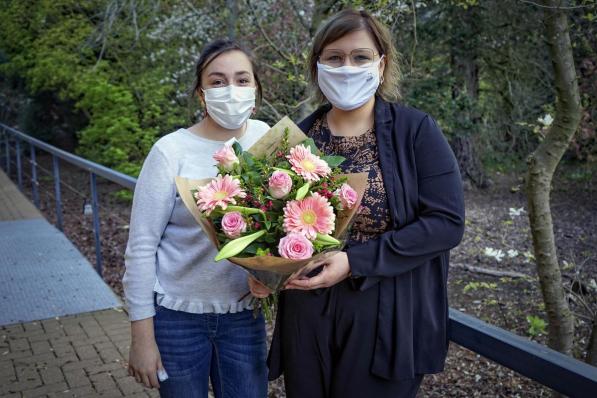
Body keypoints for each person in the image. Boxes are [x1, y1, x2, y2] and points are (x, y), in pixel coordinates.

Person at [256, 9, 465, 398]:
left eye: (360, 57)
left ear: (381, 65)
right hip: (306, 314)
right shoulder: (292, 138)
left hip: (386, 312)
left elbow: (447, 222)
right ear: (317, 66)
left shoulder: (416, 131)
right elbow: (266, 225)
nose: (346, 67)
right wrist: (263, 271)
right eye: (334, 57)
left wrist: (355, 262)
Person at [123, 39, 270, 398]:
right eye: (218, 81)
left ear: (256, 90)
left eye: (241, 79)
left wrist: (270, 276)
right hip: (177, 317)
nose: (230, 90)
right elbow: (141, 248)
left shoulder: (266, 139)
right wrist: (141, 338)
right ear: (201, 93)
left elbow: (278, 229)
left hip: (243, 315)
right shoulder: (170, 151)